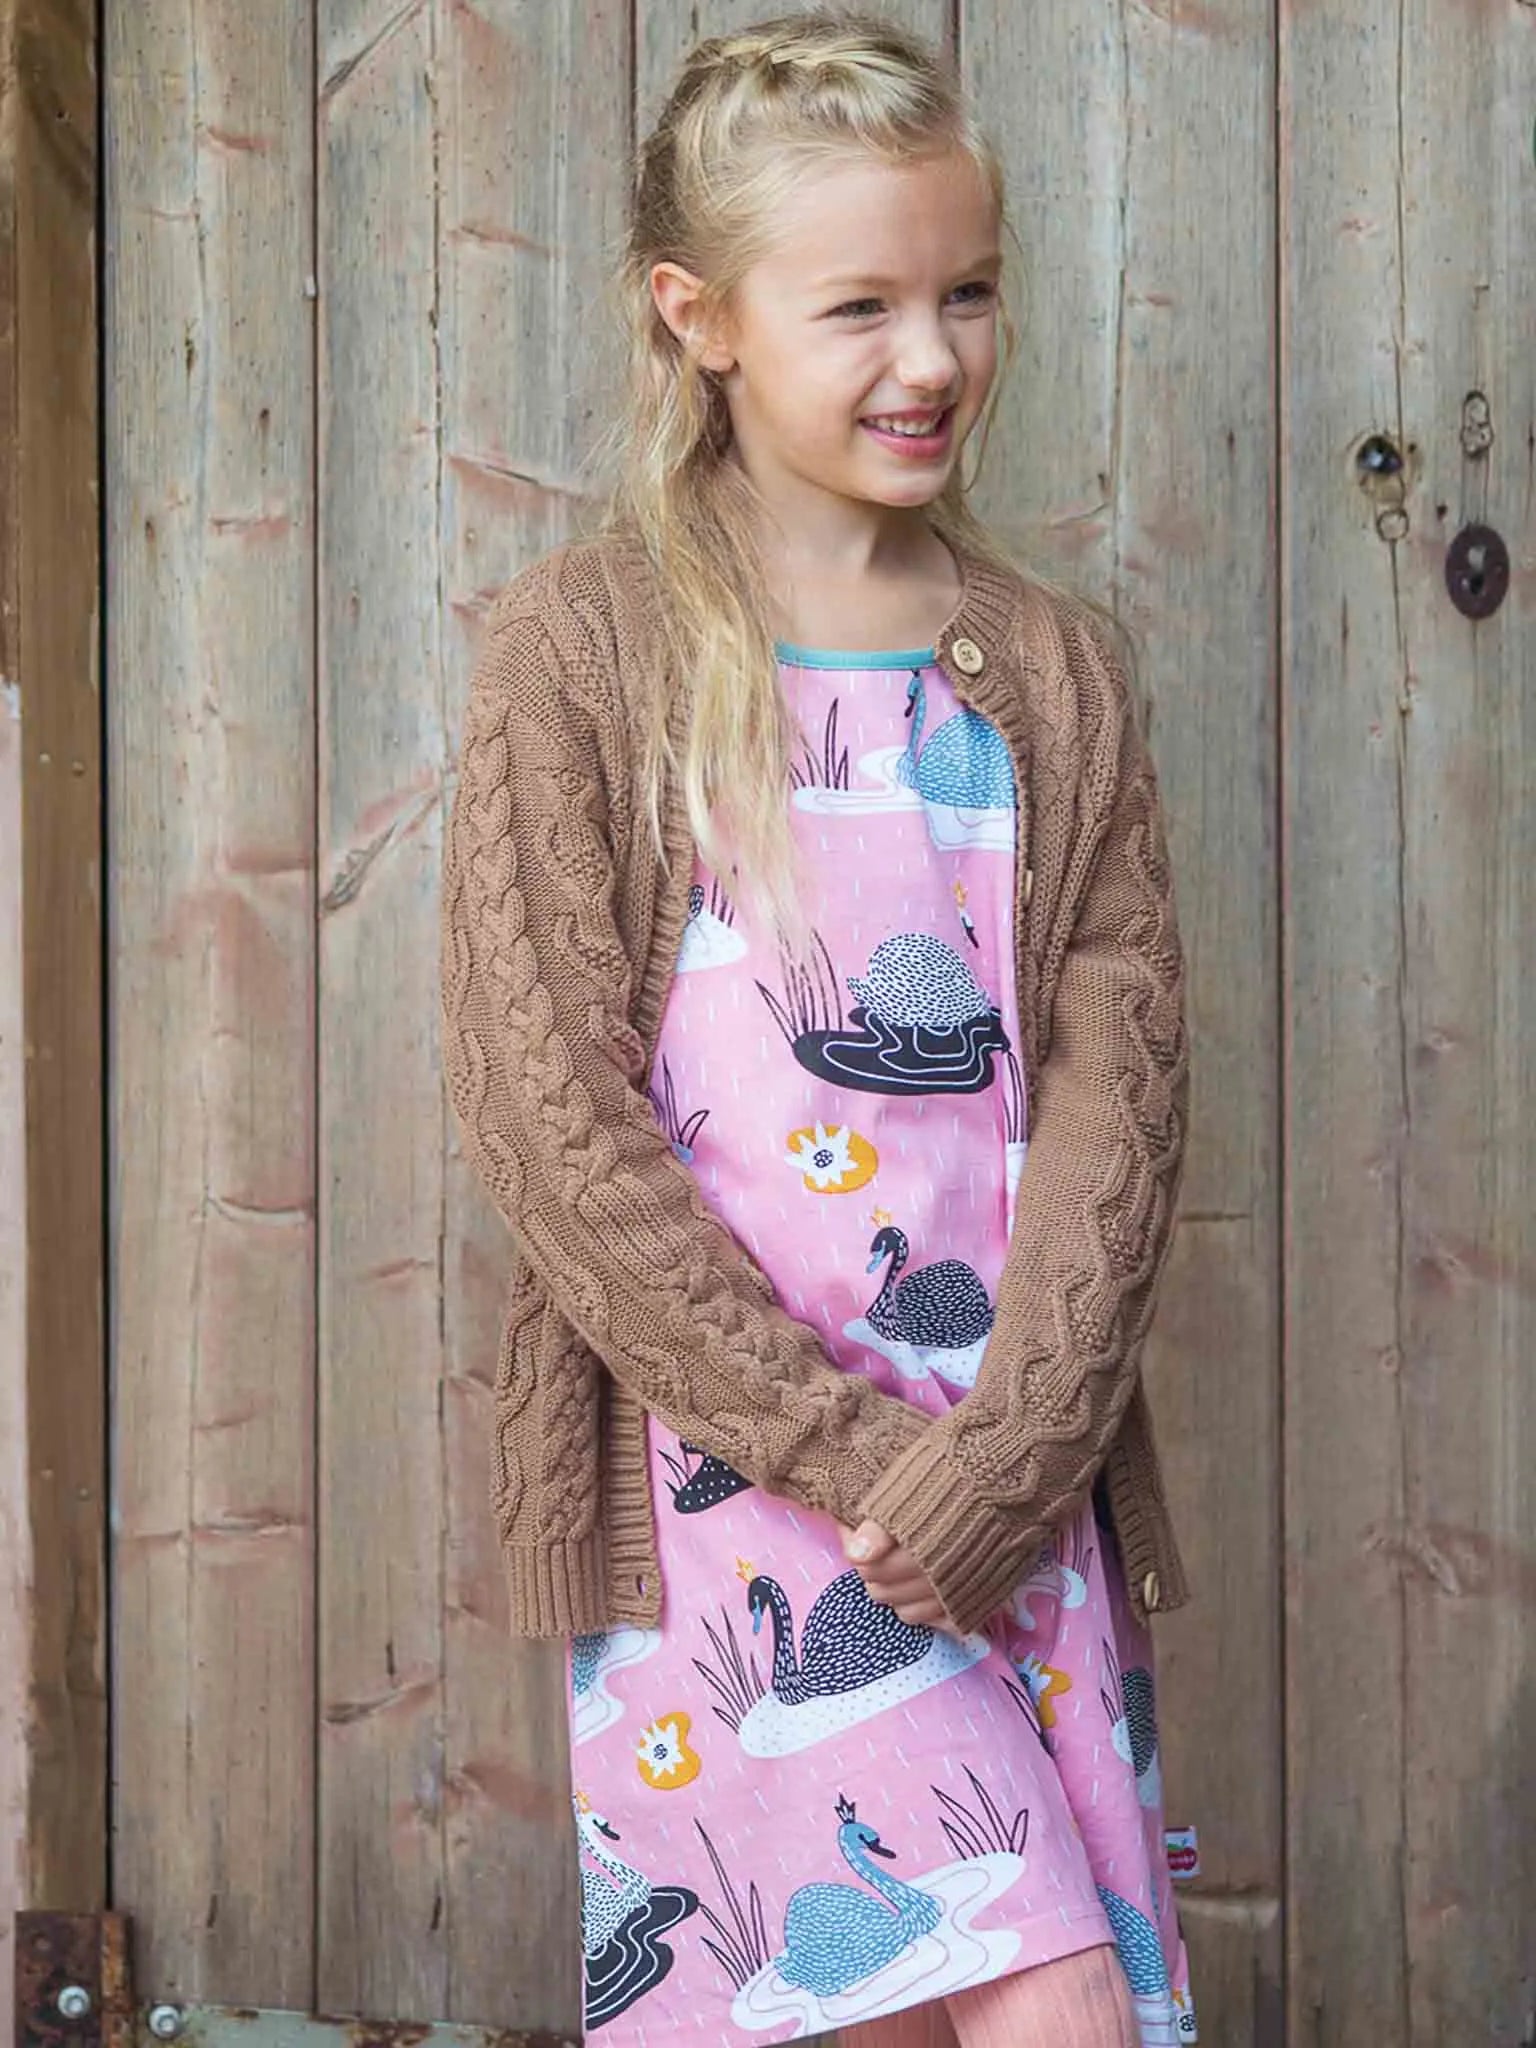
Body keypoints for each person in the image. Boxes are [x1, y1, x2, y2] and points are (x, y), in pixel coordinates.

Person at [439, 10, 1196, 2044]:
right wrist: (861, 1461)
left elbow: (1123, 1104)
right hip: (743, 1491)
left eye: (968, 294)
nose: (930, 357)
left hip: (1008, 1473)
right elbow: (551, 1124)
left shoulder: (1054, 674)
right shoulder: (587, 654)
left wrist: (1006, 1463)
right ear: (697, 317)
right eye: (859, 306)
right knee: (1037, 1998)